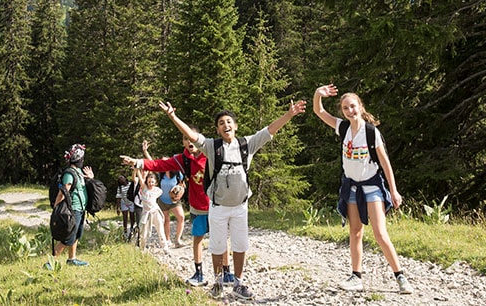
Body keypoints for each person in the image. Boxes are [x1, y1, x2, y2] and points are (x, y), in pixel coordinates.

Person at [159, 99, 306, 300]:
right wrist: (172, 116)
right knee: (217, 246)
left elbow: (269, 130)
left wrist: (289, 115)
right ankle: (218, 281)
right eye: (221, 123)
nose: (225, 125)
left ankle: (237, 282)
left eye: (229, 122)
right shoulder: (212, 146)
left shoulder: (247, 144)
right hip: (218, 207)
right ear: (218, 130)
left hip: (240, 207)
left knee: (240, 245)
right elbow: (193, 136)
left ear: (235, 126)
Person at [313, 84, 414, 294]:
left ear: (360, 106)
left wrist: (394, 191)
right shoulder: (342, 128)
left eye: (353, 106)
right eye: (345, 108)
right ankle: (356, 276)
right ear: (343, 111)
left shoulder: (371, 132)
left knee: (380, 233)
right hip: (351, 187)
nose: (350, 111)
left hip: (372, 186)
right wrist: (317, 95)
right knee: (356, 232)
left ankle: (401, 277)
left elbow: (385, 163)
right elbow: (319, 111)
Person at [121, 130, 235, 288]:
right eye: (185, 139)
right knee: (198, 239)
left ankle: (227, 272)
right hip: (198, 207)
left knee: (221, 239)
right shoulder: (183, 160)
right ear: (183, 142)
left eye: (192, 139)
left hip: (216, 204)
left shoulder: (211, 154)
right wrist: (137, 162)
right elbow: (158, 165)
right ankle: (199, 272)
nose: (190, 143)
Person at [47, 144, 93, 268]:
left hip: (80, 209)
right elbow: (63, 191)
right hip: (73, 209)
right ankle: (50, 262)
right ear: (78, 159)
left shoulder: (78, 172)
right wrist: (56, 207)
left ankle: (72, 259)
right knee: (67, 237)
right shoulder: (69, 173)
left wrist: (90, 178)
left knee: (77, 234)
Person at [134, 166, 170, 254]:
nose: (150, 183)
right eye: (149, 181)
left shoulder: (157, 190)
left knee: (160, 230)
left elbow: (155, 171)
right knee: (144, 232)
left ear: (155, 183)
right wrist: (136, 169)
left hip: (155, 212)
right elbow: (140, 178)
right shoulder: (144, 188)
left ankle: (165, 247)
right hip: (146, 213)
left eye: (152, 182)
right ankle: (142, 248)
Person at [116, 175, 135, 240]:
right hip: (124, 202)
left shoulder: (130, 184)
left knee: (132, 216)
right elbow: (118, 197)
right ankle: (125, 230)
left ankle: (132, 228)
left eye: (121, 178)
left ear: (125, 178)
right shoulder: (120, 188)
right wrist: (118, 207)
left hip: (131, 202)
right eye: (119, 179)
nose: (121, 179)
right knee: (125, 217)